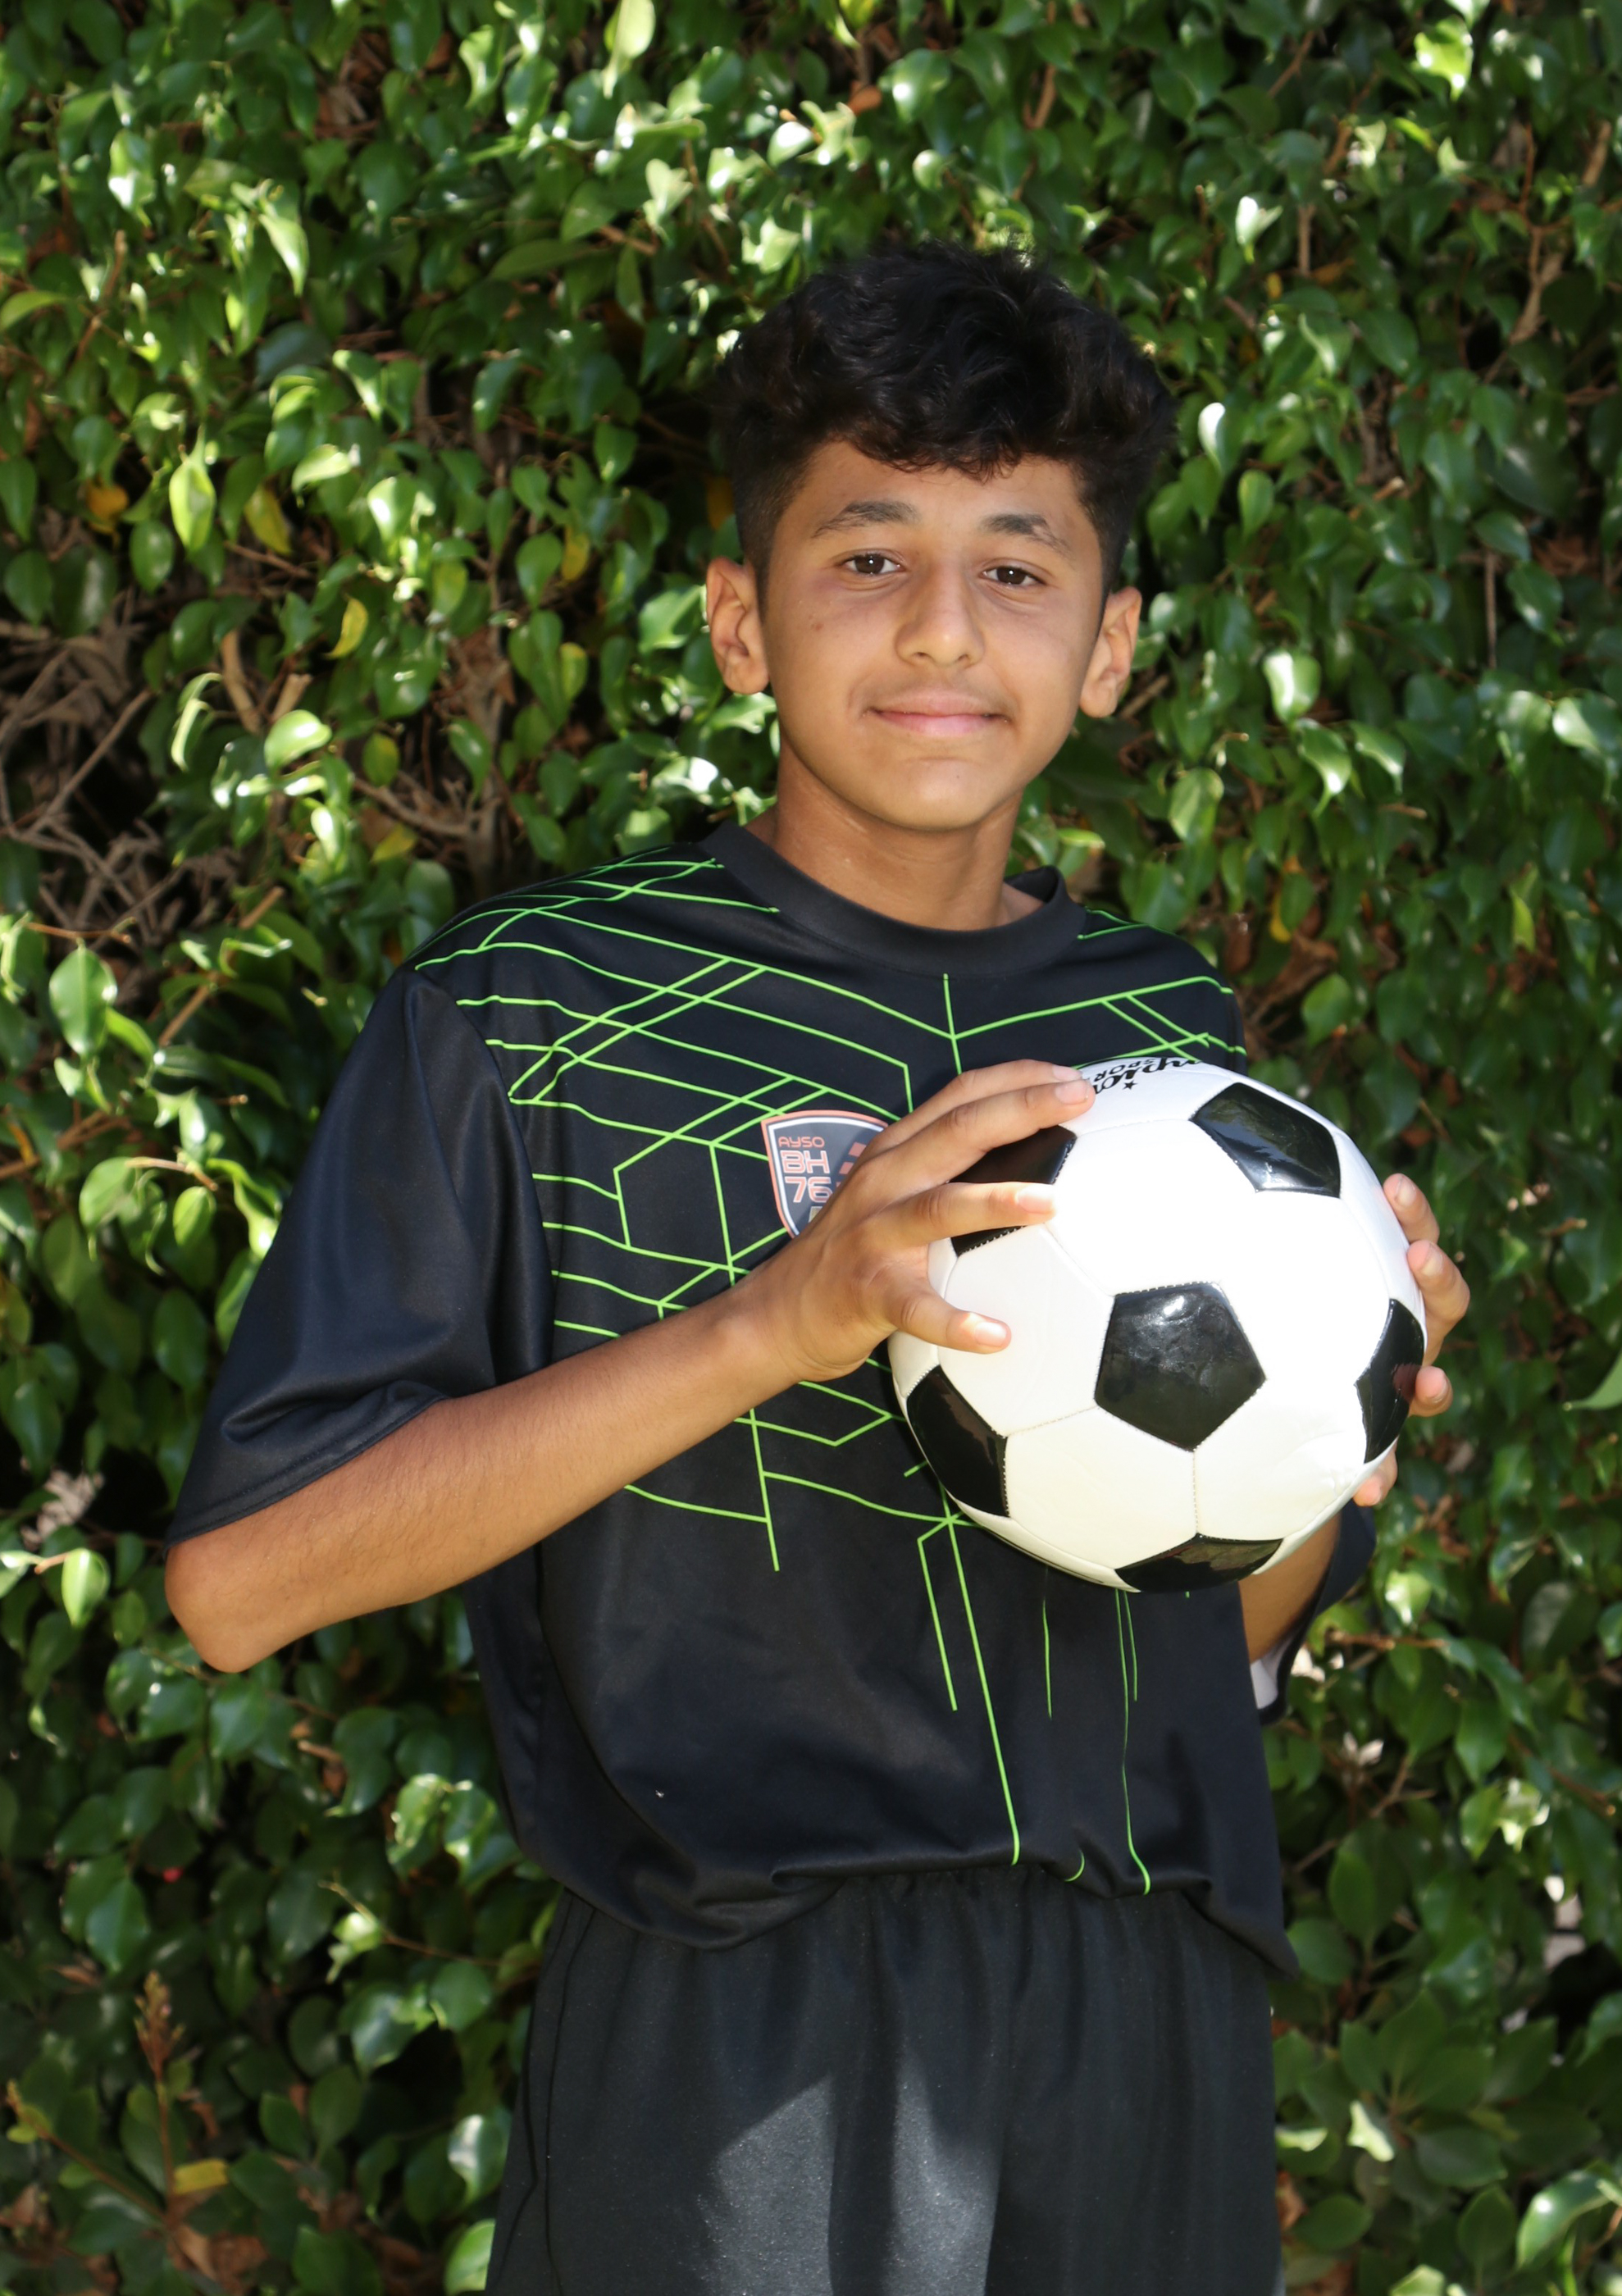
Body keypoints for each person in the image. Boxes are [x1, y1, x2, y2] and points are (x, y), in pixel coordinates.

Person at [165, 243, 1469, 2296]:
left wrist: (1332, 1407)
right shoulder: (528, 1012)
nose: (942, 626)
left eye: (1018, 566)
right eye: (867, 556)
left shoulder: (1167, 1041)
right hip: (739, 2033)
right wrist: (780, 1322)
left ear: (1112, 646)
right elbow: (242, 1582)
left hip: (1145, 2011)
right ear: (736, 621)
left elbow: (1213, 1633)